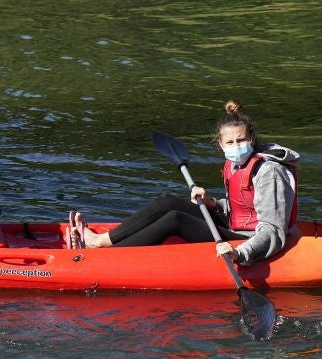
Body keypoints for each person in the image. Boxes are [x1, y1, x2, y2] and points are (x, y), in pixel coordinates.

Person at [72, 100, 299, 266]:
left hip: (249, 239)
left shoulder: (270, 172)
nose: (236, 145)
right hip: (235, 225)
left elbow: (272, 230)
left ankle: (106, 260)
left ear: (251, 140)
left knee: (176, 219)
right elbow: (243, 207)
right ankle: (102, 241)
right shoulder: (237, 163)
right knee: (167, 202)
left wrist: (239, 253)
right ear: (220, 144)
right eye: (230, 141)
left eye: (241, 140)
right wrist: (212, 203)